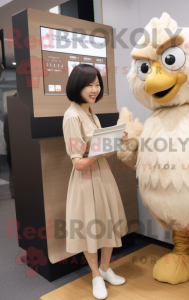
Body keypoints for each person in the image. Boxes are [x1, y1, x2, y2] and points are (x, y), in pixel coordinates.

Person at [63, 64, 129, 299]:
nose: (94, 89)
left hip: (103, 175)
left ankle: (105, 268)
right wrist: (102, 150)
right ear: (76, 86)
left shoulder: (91, 112)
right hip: (86, 179)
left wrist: (115, 141)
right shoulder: (72, 117)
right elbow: (78, 163)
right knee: (91, 229)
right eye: (89, 84)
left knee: (108, 224)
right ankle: (96, 276)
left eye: (97, 84)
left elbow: (99, 150)